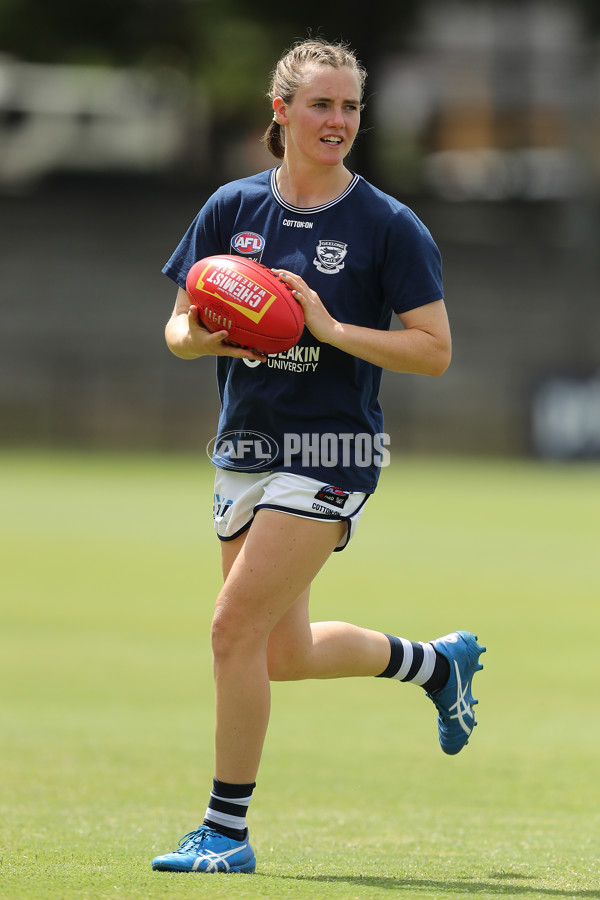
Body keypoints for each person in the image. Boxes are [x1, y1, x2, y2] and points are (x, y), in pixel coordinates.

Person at [151, 38, 485, 875]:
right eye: (321, 105)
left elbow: (435, 350)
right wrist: (204, 343)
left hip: (332, 448)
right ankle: (435, 665)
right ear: (282, 111)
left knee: (231, 629)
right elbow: (179, 324)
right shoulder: (231, 208)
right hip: (246, 445)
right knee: (276, 652)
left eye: (350, 107)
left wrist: (330, 329)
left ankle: (225, 832)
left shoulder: (387, 225)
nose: (338, 121)